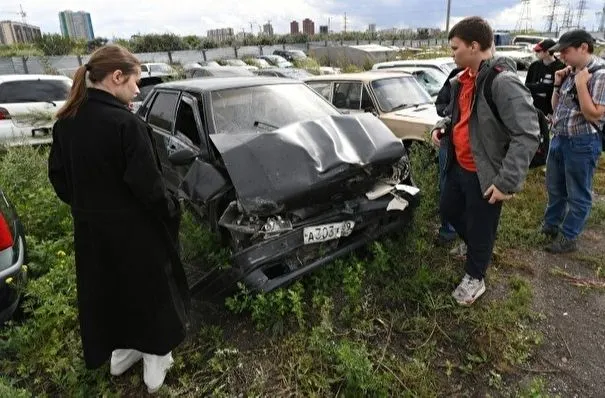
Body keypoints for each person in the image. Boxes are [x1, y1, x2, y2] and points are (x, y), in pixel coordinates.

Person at [48, 45, 190, 393]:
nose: (138, 89)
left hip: (92, 233)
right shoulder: (125, 124)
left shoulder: (67, 122)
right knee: (151, 293)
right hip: (136, 232)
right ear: (116, 77)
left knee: (110, 292)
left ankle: (121, 354)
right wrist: (172, 209)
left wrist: (88, 207)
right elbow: (149, 187)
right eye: (135, 81)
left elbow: (59, 179)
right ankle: (155, 364)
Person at [432, 17, 540, 305]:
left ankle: (476, 276)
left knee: (481, 226)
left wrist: (506, 182)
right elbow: (464, 118)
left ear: (474, 46)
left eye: (455, 48)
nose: (452, 53)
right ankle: (478, 250)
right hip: (459, 166)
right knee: (449, 210)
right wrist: (443, 126)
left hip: (486, 172)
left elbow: (528, 134)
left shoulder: (502, 82)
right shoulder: (462, 79)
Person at [541, 29, 605, 253]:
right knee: (555, 187)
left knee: (578, 193)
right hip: (560, 137)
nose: (562, 56)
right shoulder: (572, 71)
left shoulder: (599, 74)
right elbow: (556, 107)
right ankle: (550, 225)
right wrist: (558, 84)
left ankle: (569, 236)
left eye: (566, 51)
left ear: (583, 48)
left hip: (582, 141)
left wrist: (580, 84)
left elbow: (593, 114)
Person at [435, 66, 464, 246]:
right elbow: (440, 104)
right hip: (449, 143)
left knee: (470, 189)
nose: (454, 55)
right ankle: (448, 231)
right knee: (446, 185)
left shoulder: (489, 76)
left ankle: (466, 231)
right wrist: (447, 117)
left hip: (474, 148)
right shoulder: (456, 75)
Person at [525, 39, 566, 116]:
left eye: (538, 51)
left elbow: (560, 90)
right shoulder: (534, 66)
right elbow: (526, 86)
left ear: (547, 52)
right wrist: (541, 87)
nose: (536, 53)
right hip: (533, 107)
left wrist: (539, 87)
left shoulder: (561, 67)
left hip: (551, 110)